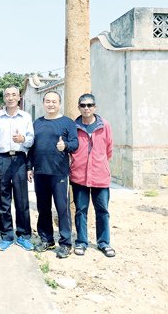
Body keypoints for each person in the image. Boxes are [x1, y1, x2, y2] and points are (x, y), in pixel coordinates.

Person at [27, 91, 78, 259]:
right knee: (43, 208)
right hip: (40, 172)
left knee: (62, 209)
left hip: (59, 173)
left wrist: (66, 147)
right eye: (48, 101)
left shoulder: (67, 123)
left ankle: (65, 243)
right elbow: (32, 148)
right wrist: (29, 167)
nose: (51, 104)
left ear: (59, 103)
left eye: (54, 101)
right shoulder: (37, 123)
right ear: (43, 103)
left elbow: (75, 143)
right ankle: (46, 239)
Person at [69, 93, 116, 257]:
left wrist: (100, 163)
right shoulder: (73, 126)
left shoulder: (105, 125)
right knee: (81, 210)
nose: (86, 108)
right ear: (79, 107)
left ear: (95, 107)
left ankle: (104, 242)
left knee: (102, 210)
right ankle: (81, 242)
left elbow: (109, 149)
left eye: (90, 105)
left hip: (100, 176)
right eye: (83, 105)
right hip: (79, 176)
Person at [0, 86, 34, 252]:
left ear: (19, 97)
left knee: (22, 200)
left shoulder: (26, 117)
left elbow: (31, 140)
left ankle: (23, 235)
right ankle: (6, 235)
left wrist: (23, 139)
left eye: (13, 94)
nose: (10, 98)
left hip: (20, 159)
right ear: (3, 98)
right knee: (3, 200)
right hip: (2, 159)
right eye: (7, 95)